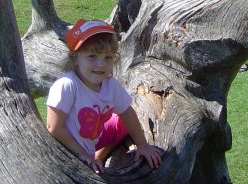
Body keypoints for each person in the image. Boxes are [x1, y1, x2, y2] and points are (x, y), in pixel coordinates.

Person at [46, 19, 162, 174]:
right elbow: (54, 128)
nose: (100, 64)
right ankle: (94, 157)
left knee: (123, 122)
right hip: (68, 146)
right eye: (92, 56)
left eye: (107, 57)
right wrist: (83, 155)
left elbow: (126, 112)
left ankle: (99, 156)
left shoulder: (109, 85)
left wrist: (142, 144)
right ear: (75, 58)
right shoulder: (67, 85)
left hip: (92, 137)